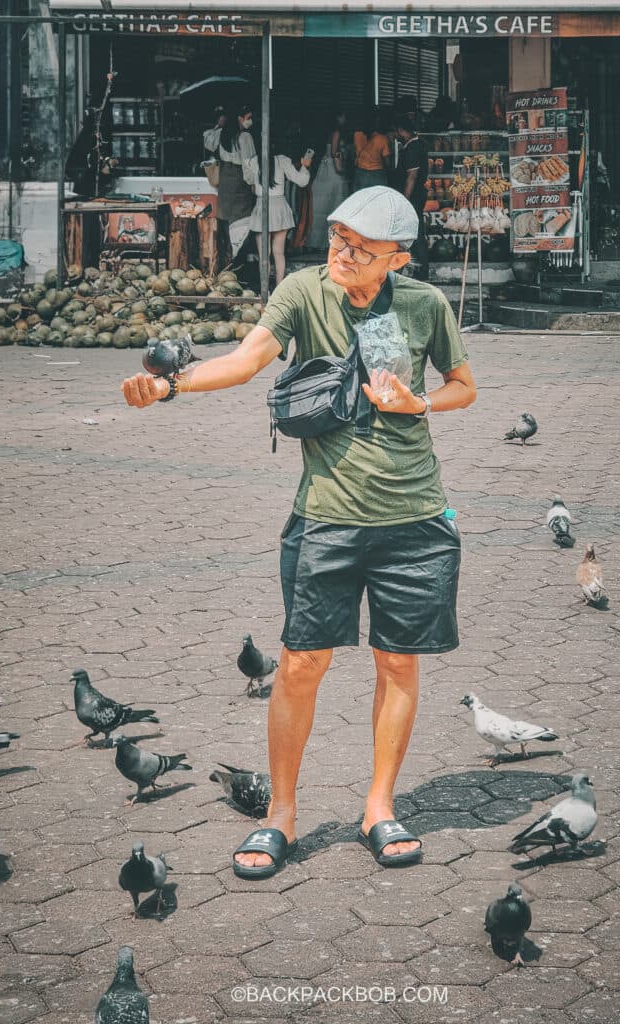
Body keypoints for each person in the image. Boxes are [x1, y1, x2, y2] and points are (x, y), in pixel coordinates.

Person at [120, 186, 477, 879]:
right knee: (300, 664)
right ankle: (279, 813)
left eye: (360, 250)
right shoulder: (303, 292)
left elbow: (464, 385)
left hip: (416, 517)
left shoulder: (426, 305)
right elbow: (249, 358)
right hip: (327, 517)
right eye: (339, 239)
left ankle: (379, 806)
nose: (341, 254)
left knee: (399, 663)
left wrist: (420, 400)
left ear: (396, 258)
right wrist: (172, 386)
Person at [245, 131, 312, 285]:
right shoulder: (282, 160)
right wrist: (304, 166)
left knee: (264, 256)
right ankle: (279, 288)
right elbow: (302, 181)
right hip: (280, 207)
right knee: (279, 253)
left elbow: (251, 186)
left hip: (262, 206)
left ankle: (264, 291)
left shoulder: (252, 162)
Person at [216, 105, 257, 265]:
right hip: (240, 183)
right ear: (239, 118)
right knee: (243, 220)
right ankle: (236, 258)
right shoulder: (245, 137)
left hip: (226, 182)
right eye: (248, 117)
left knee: (228, 221)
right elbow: (249, 164)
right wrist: (253, 183)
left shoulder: (222, 135)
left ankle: (226, 257)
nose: (250, 121)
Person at [305, 109, 350, 250]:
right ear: (338, 117)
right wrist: (340, 167)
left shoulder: (330, 132)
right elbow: (334, 152)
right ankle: (331, 241)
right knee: (334, 201)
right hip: (332, 169)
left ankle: (320, 241)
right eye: (343, 116)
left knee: (324, 204)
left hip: (326, 167)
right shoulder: (337, 132)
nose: (345, 119)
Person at [393, 116, 429, 281]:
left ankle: (421, 270)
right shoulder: (414, 145)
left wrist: (405, 201)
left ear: (401, 131)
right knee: (413, 231)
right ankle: (415, 269)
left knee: (416, 233)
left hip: (412, 197)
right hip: (414, 196)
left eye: (397, 131)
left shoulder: (413, 148)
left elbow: (412, 177)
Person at [352, 110, 391, 191]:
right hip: (377, 174)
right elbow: (387, 162)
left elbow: (354, 152)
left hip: (360, 173)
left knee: (361, 200)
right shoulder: (382, 138)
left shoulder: (357, 134)